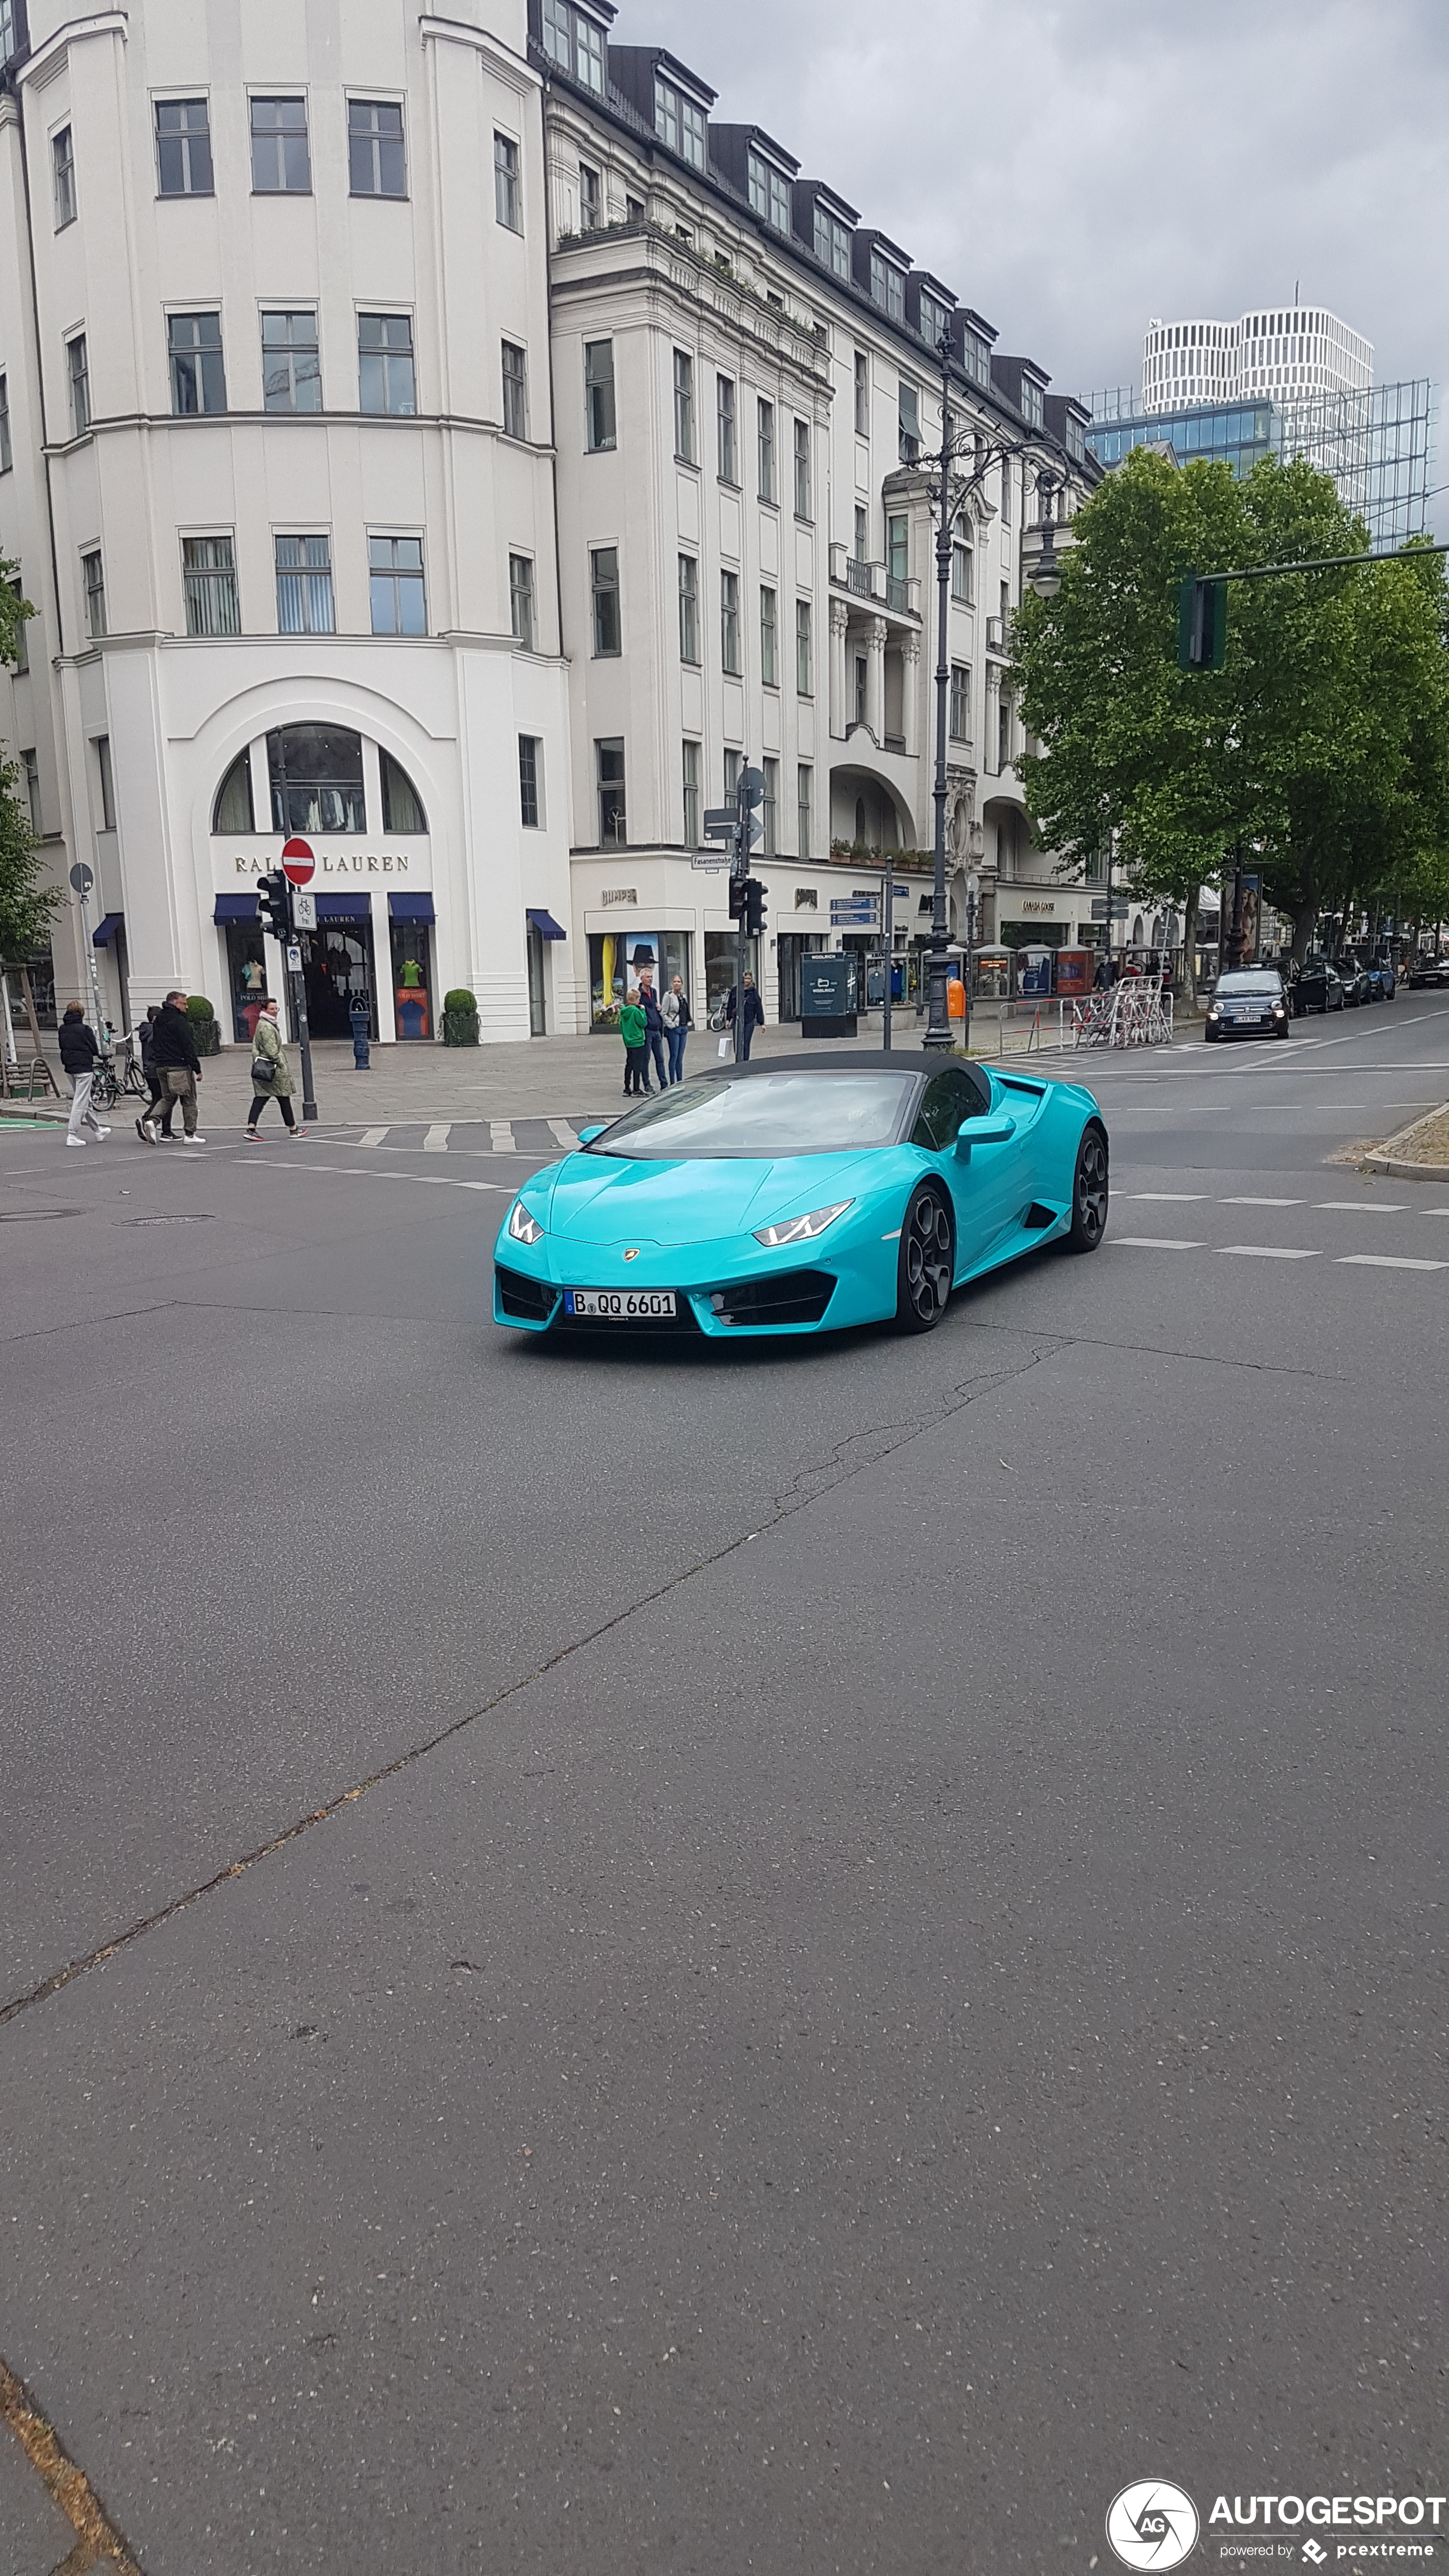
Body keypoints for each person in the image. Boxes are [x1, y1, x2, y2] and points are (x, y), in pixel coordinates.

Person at [140, 988, 204, 1143]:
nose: (186, 1007)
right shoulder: (179, 1021)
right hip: (179, 1065)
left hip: (161, 1066)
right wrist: (197, 1068)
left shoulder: (159, 1019)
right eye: (184, 1003)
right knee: (189, 1100)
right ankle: (190, 1135)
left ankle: (152, 1121)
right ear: (176, 1003)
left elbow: (155, 1042)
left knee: (167, 1097)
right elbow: (187, 1045)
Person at [245, 996, 306, 1139]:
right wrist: (281, 1063)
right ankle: (293, 1129)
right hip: (272, 1069)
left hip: (264, 1068)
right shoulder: (267, 1027)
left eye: (276, 1009)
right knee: (283, 1097)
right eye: (272, 1009)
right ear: (265, 1010)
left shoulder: (264, 1023)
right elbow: (272, 1051)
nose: (275, 1012)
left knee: (262, 1098)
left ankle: (251, 1128)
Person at [59, 1002, 109, 1146]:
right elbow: (94, 1049)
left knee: (85, 1100)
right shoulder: (85, 1029)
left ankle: (98, 1130)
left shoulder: (63, 1029)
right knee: (80, 1101)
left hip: (69, 1067)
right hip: (84, 1068)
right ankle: (72, 1134)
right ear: (82, 1014)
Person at [637, 970, 668, 1093]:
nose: (650, 979)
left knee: (660, 1058)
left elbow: (654, 1007)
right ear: (642, 979)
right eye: (648, 977)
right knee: (646, 1058)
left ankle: (664, 1084)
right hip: (647, 1030)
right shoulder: (639, 994)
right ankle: (647, 1084)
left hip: (657, 1030)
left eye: (651, 977)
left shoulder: (654, 991)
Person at [725, 970, 764, 1062]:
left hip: (749, 1021)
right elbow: (730, 1005)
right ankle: (738, 1062)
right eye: (746, 978)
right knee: (737, 1044)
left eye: (749, 979)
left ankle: (745, 1062)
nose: (747, 980)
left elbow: (759, 1007)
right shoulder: (735, 990)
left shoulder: (753, 992)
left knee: (746, 1043)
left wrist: (762, 1023)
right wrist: (728, 1019)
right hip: (737, 1020)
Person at [661, 974, 691, 1083]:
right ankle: (672, 1082)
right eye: (675, 982)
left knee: (680, 1057)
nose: (677, 984)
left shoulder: (684, 996)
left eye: (679, 982)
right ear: (672, 984)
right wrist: (671, 1024)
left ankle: (680, 1080)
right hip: (674, 1029)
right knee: (674, 1056)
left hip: (683, 1028)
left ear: (682, 984)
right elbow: (664, 1013)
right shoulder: (668, 996)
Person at [620, 986, 647, 1096]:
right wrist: (643, 1011)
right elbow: (643, 1023)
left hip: (628, 1041)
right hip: (638, 1041)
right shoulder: (636, 1011)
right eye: (638, 999)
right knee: (638, 1066)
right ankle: (636, 1088)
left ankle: (627, 1088)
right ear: (635, 999)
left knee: (629, 1064)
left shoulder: (623, 1011)